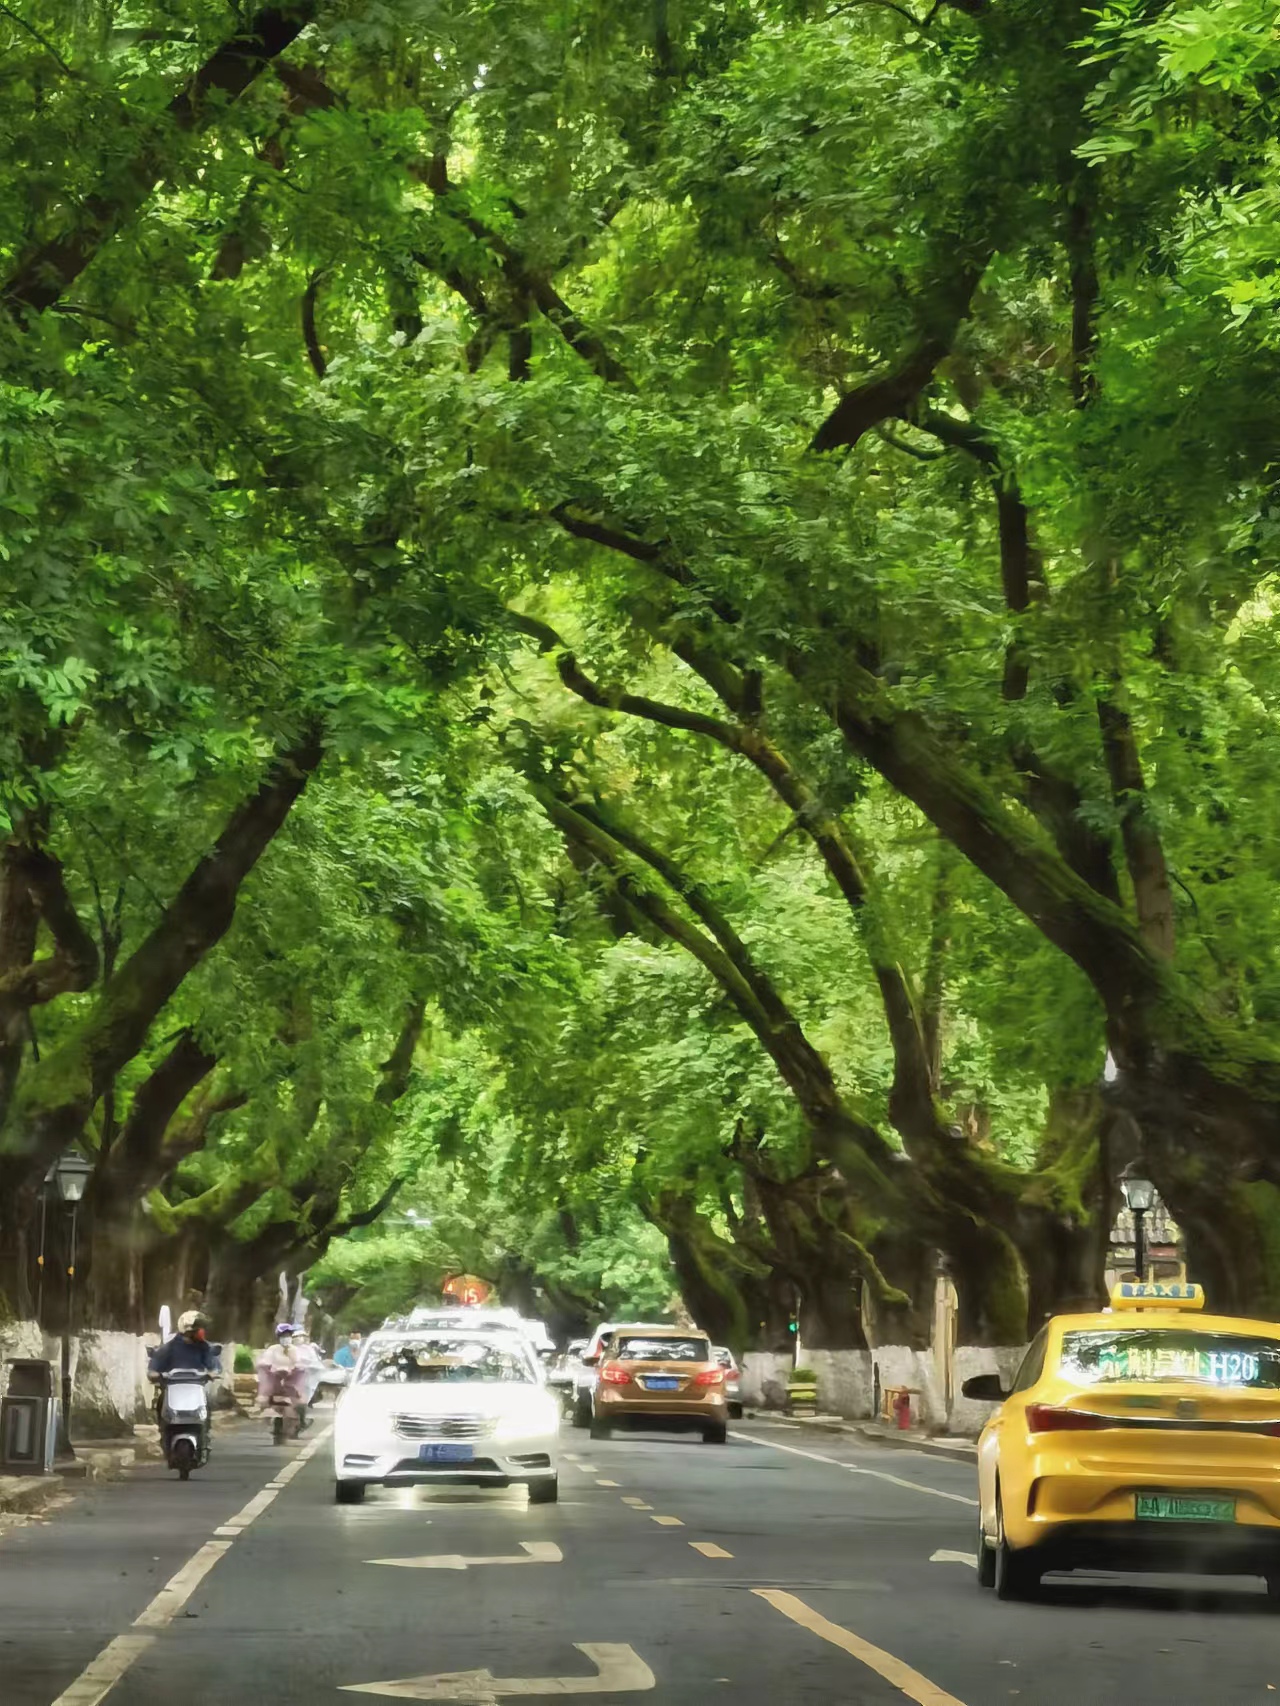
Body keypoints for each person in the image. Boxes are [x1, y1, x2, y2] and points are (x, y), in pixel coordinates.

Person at [148, 1310, 220, 1423]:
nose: (202, 1332)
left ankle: (205, 1434)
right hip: (172, 1389)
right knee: (161, 1402)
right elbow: (154, 1366)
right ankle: (163, 1431)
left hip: (196, 1390)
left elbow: (213, 1365)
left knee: (207, 1404)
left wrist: (213, 1372)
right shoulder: (169, 1347)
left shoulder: (204, 1347)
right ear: (187, 1330)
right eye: (198, 1329)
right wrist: (154, 1373)